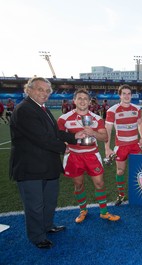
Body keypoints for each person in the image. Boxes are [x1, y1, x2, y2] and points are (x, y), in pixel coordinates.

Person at [9, 77, 84, 249]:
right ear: (29, 90)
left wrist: (73, 136)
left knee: (49, 200)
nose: (44, 93)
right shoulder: (25, 110)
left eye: (47, 91)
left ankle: (47, 226)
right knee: (35, 205)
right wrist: (63, 147)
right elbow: (41, 138)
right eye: (39, 89)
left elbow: (54, 132)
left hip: (47, 164)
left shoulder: (41, 108)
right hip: (31, 167)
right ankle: (37, 236)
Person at [57, 89, 120, 224]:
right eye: (79, 98)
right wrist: (65, 145)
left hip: (92, 155)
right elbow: (59, 136)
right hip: (74, 156)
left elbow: (105, 137)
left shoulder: (96, 119)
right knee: (78, 185)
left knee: (99, 183)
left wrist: (93, 133)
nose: (82, 101)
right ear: (74, 101)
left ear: (89, 102)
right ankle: (83, 210)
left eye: (85, 98)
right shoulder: (64, 119)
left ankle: (104, 212)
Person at [105, 85, 142, 206]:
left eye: (129, 94)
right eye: (124, 94)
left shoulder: (137, 109)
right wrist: (107, 147)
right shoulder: (112, 110)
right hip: (121, 146)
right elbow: (108, 129)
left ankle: (140, 194)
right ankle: (121, 195)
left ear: (131, 95)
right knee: (120, 171)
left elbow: (140, 123)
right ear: (120, 95)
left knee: (139, 171)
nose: (127, 96)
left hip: (134, 145)